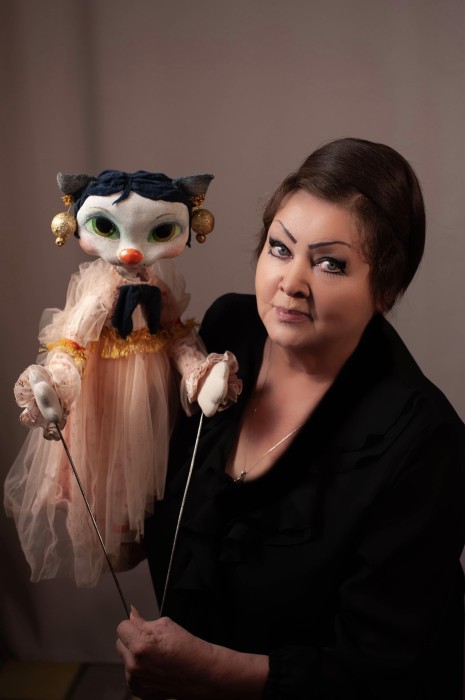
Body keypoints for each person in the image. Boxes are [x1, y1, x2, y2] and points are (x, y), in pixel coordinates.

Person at [116, 137, 464, 699]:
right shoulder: (226, 333)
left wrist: (205, 673)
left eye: (330, 263)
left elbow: (379, 674)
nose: (291, 283)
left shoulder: (423, 443)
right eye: (280, 248)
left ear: (386, 288)